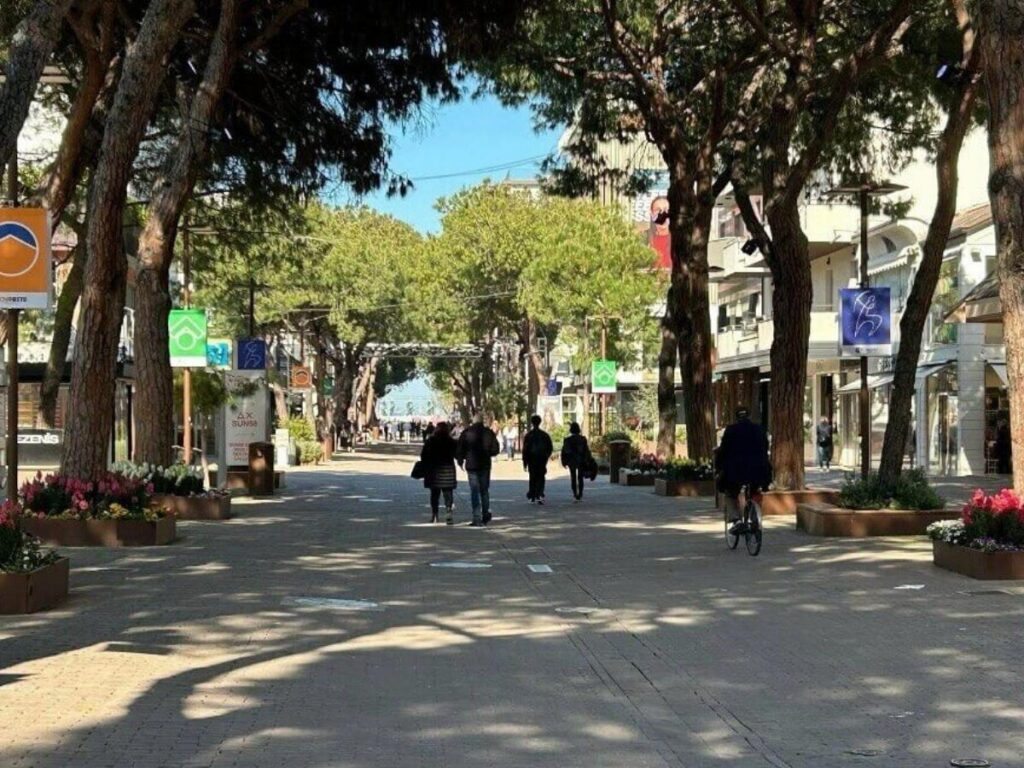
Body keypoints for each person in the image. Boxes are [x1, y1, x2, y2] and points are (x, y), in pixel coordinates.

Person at [715, 406, 772, 529]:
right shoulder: (759, 429)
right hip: (759, 470)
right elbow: (766, 447)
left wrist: (718, 467)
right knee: (755, 490)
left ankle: (736, 519)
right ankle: (755, 516)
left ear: (736, 417)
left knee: (730, 493)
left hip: (736, 471)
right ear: (749, 416)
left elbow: (723, 450)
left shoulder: (731, 430)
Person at [456, 412, 500, 526]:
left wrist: (460, 460)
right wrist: (488, 453)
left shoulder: (467, 432)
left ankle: (476, 517)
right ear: (482, 421)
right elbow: (496, 449)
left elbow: (460, 448)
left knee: (474, 491)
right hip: (485, 465)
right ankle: (485, 513)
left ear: (473, 421)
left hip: (472, 465)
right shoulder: (489, 433)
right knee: (484, 490)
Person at [421, 422, 457, 524]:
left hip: (434, 470)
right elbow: (456, 454)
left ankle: (434, 515)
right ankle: (448, 512)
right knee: (448, 493)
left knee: (434, 494)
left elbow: (423, 455)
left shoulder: (430, 441)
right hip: (448, 470)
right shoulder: (451, 441)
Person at [523, 414, 554, 504]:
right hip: (541, 458)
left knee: (532, 476)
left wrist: (525, 462)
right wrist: (546, 456)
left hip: (531, 459)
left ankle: (532, 494)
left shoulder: (528, 435)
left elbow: (525, 449)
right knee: (541, 476)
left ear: (532, 423)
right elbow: (550, 447)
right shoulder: (544, 435)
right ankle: (539, 493)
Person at [560, 422, 590, 501]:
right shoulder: (583, 439)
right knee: (580, 477)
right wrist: (587, 460)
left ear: (571, 430)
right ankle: (580, 493)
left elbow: (564, 451)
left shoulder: (567, 440)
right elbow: (586, 450)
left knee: (573, 477)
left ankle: (575, 494)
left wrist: (564, 461)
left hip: (571, 460)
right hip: (581, 460)